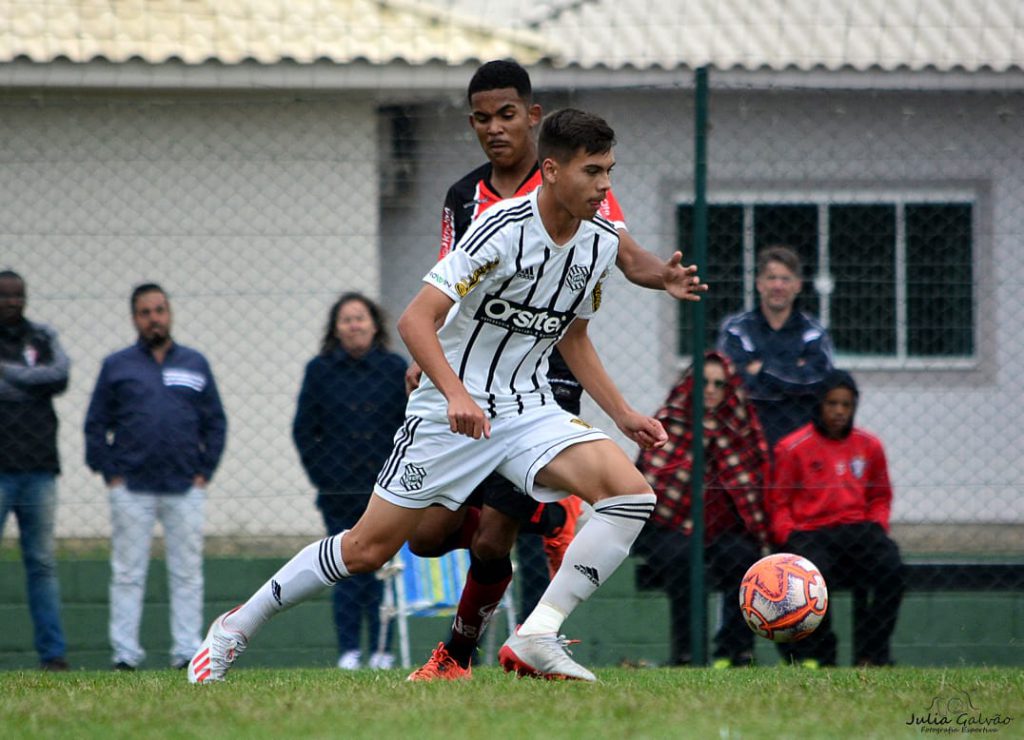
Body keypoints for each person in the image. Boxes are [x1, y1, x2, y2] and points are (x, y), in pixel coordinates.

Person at [188, 107, 669, 685]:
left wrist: (622, 414)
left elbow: (573, 335)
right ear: (551, 170)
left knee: (630, 496)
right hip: (448, 415)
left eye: (609, 171)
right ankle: (235, 626)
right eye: (593, 171)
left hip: (530, 409)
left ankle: (538, 634)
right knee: (368, 549)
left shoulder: (599, 244)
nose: (605, 186)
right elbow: (417, 321)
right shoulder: (498, 230)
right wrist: (455, 393)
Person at [403, 58, 707, 681]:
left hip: (541, 386)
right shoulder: (466, 197)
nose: (496, 128)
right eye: (483, 119)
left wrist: (661, 276)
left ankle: (458, 658)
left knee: (493, 540)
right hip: (467, 386)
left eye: (507, 115)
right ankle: (547, 512)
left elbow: (625, 254)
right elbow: (445, 290)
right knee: (426, 539)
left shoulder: (580, 178)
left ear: (533, 118)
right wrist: (432, 369)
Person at [85, 283, 227, 670]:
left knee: (187, 573)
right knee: (128, 573)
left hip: (186, 486)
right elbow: (95, 424)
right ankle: (125, 656)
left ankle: (186, 653)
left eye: (160, 310)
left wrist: (204, 471)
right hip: (131, 487)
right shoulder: (117, 366)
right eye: (146, 312)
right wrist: (110, 473)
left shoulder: (195, 363)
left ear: (170, 314)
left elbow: (215, 422)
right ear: (135, 318)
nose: (154, 319)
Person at [292, 293, 407, 671]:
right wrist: (325, 476)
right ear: (335, 329)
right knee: (343, 567)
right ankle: (349, 651)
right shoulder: (320, 370)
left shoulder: (394, 368)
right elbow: (305, 431)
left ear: (374, 324)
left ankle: (382, 650)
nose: (354, 325)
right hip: (338, 491)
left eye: (360, 318)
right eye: (346, 320)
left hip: (387, 490)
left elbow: (410, 426)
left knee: (384, 570)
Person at [635, 351, 769, 668]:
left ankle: (737, 652)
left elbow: (753, 487)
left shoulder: (741, 425)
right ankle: (685, 653)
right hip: (672, 528)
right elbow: (649, 484)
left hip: (725, 531)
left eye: (718, 384)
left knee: (743, 558)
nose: (710, 390)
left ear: (729, 389)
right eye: (704, 382)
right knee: (682, 558)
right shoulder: (668, 422)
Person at [765, 369, 905, 667]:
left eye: (846, 404)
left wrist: (878, 524)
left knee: (891, 567)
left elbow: (881, 496)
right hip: (811, 533)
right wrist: (789, 536)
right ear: (819, 405)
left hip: (858, 530)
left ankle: (872, 651)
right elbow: (778, 503)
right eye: (832, 403)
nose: (839, 411)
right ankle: (821, 654)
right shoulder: (792, 447)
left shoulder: (870, 446)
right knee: (813, 577)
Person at [0, 270, 71, 671]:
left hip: (39, 467)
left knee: (42, 563)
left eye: (18, 295)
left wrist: (9, 375)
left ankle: (53, 655)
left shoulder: (41, 337)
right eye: (5, 295)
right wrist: (32, 384)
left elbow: (60, 374)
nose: (12, 301)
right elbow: (42, 382)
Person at [718, 245, 833, 447]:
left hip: (801, 441)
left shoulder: (813, 332)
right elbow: (733, 384)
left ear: (798, 285)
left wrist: (762, 369)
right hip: (746, 439)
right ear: (759, 284)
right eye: (771, 278)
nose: (778, 285)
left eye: (786, 279)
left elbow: (820, 383)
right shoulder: (736, 330)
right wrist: (794, 371)